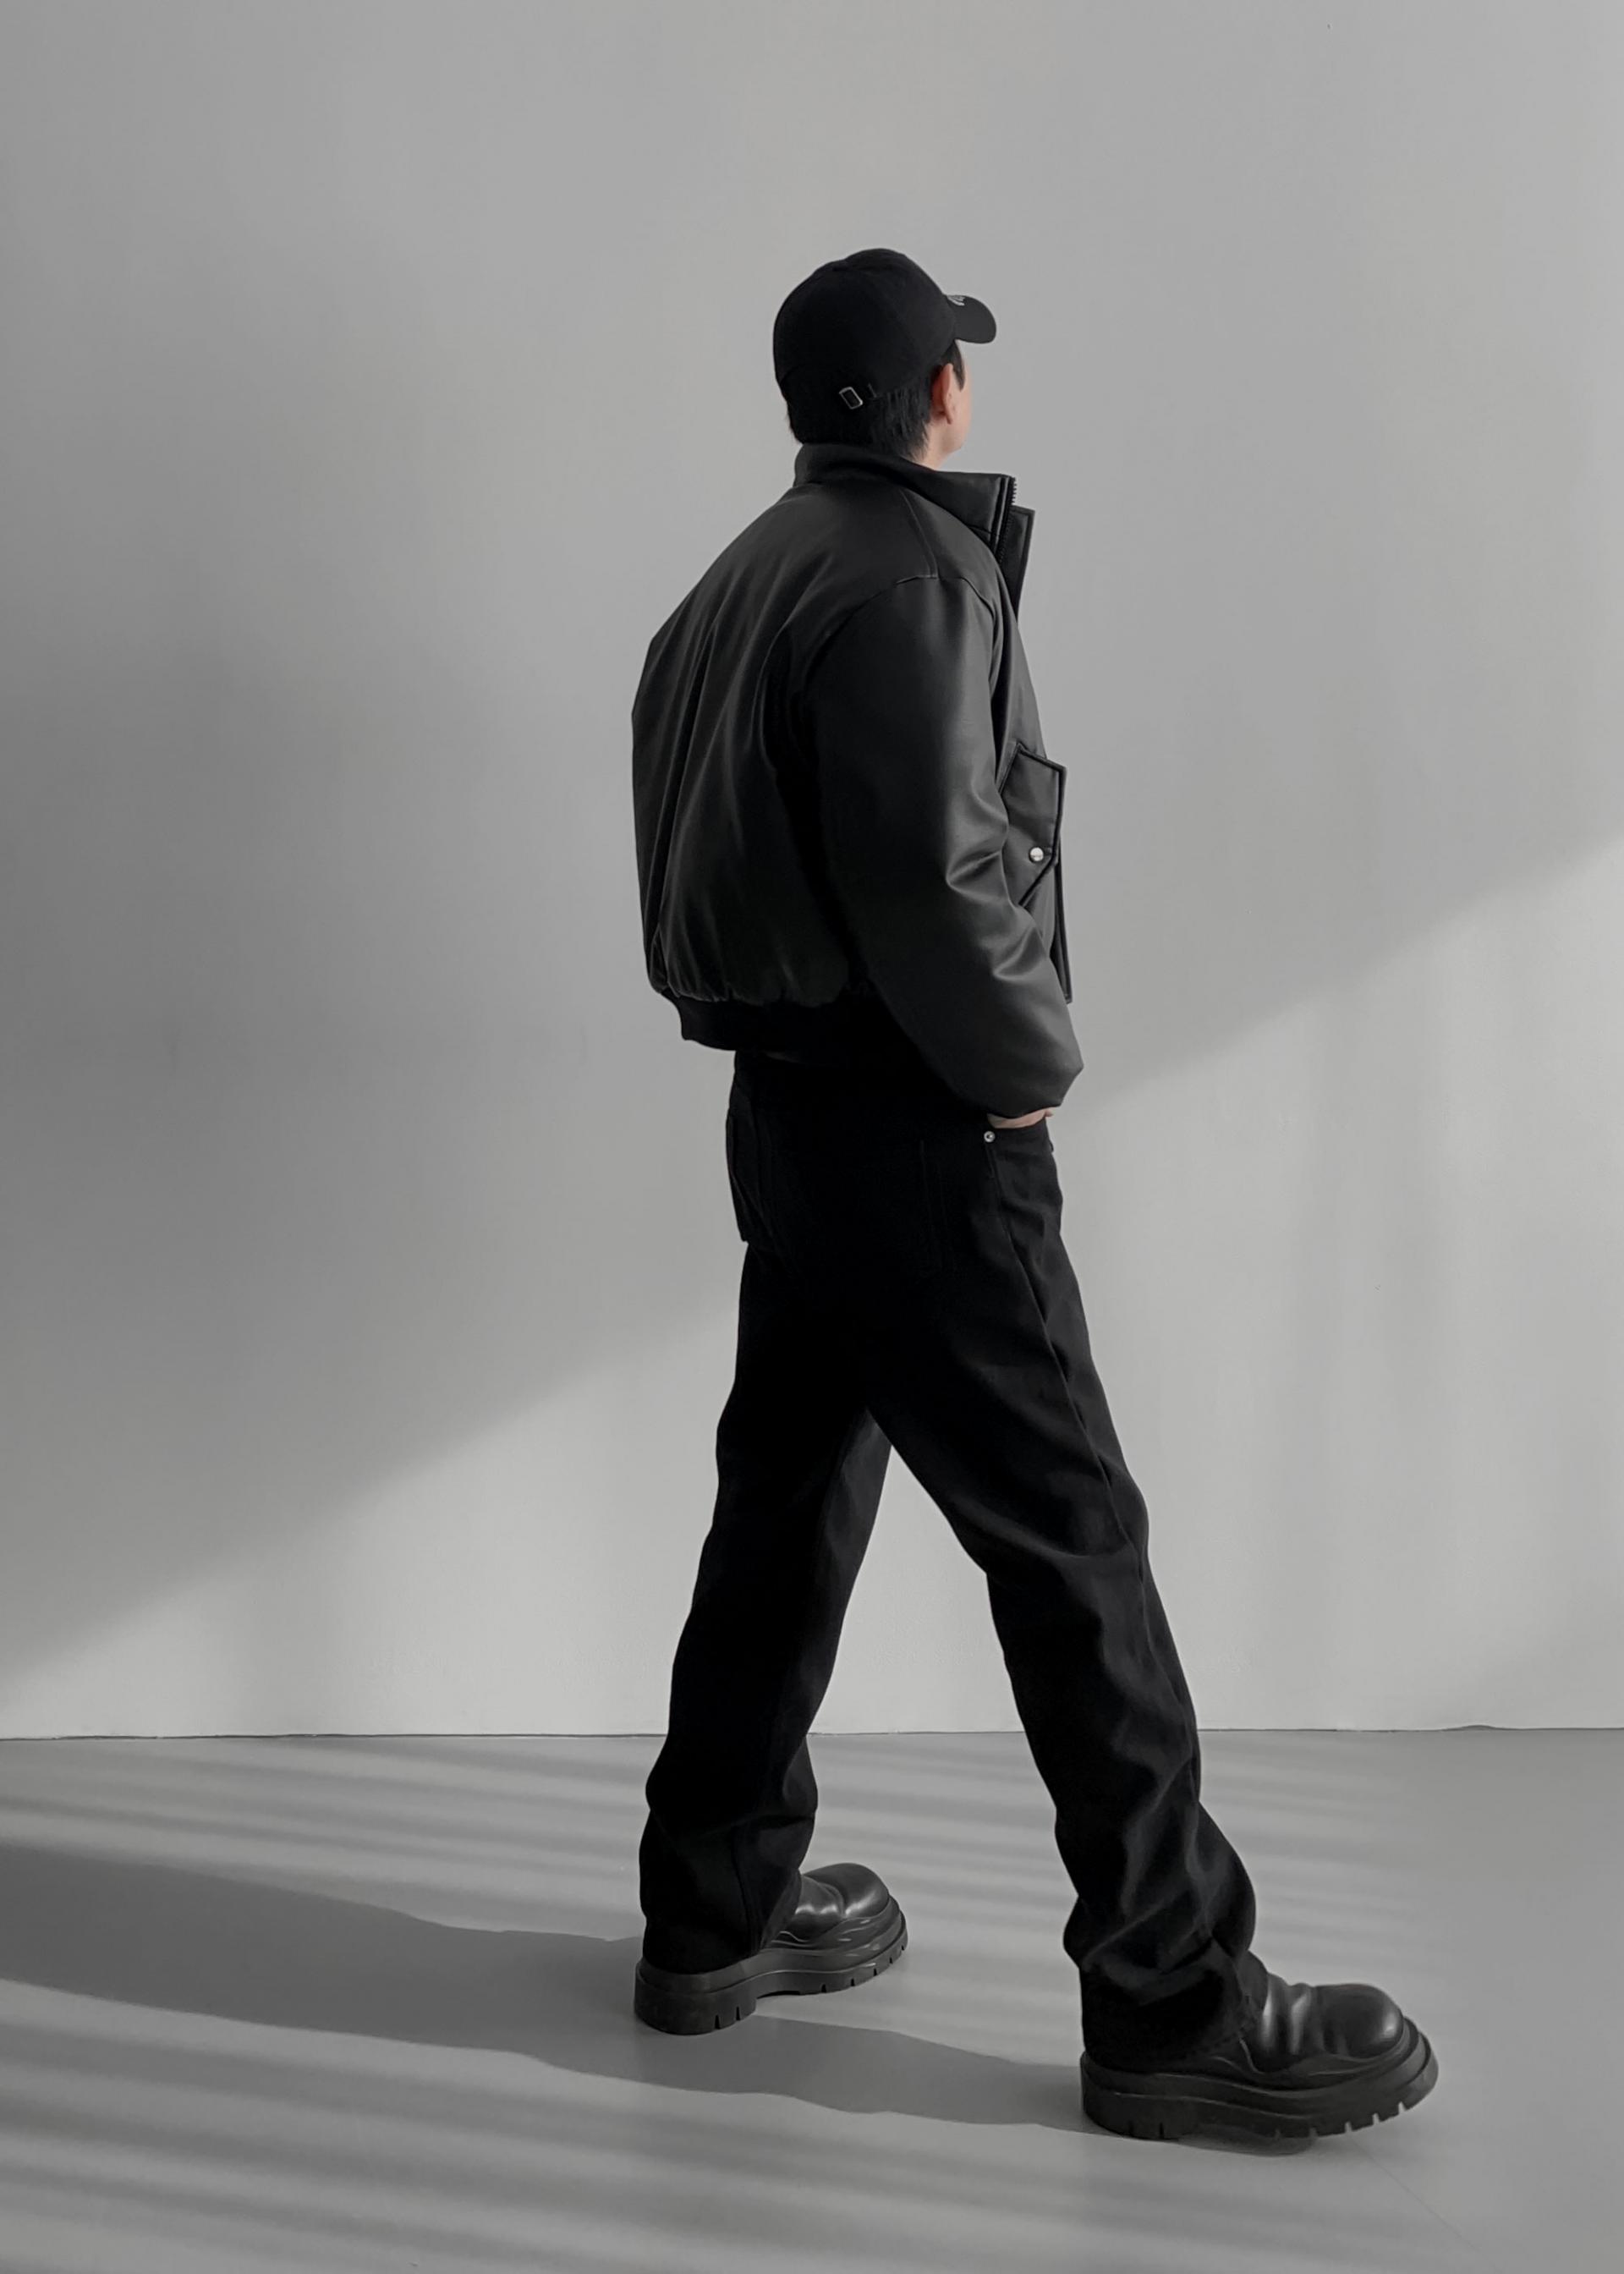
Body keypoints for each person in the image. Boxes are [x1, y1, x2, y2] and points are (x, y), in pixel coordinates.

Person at [626, 247, 1437, 2144]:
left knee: (784, 1504)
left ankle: (711, 1911)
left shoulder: (742, 574)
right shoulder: (913, 577)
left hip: (788, 1116)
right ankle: (1174, 1996)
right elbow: (931, 873)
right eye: (958, 363)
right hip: (922, 1132)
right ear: (936, 393)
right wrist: (1028, 1068)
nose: (967, 386)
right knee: (1074, 1539)